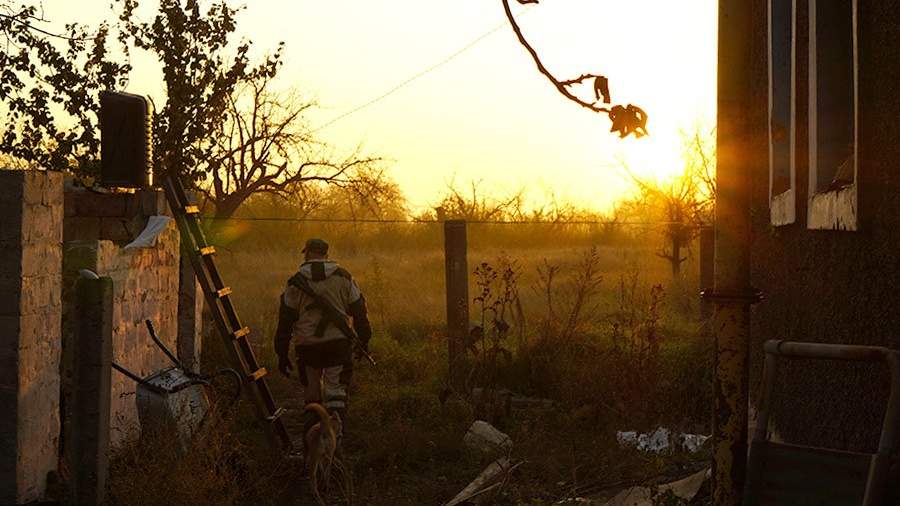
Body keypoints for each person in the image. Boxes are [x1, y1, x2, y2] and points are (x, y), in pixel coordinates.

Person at [274, 238, 372, 444]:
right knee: (336, 394)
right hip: (338, 345)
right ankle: (336, 447)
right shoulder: (344, 277)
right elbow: (360, 313)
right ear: (326, 255)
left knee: (312, 396)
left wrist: (281, 354)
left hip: (308, 348)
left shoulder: (295, 282)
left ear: (307, 253)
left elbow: (285, 322)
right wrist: (364, 341)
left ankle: (311, 445)